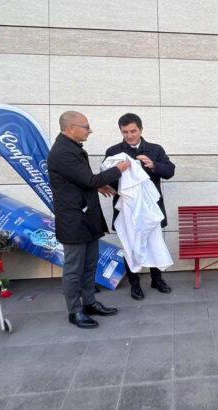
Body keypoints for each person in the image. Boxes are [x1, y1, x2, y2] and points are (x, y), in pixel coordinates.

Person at [48, 110, 128, 329]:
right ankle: (75, 311)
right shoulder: (63, 152)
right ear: (71, 128)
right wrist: (118, 169)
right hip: (74, 220)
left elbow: (81, 180)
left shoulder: (72, 148)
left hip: (86, 218)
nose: (90, 131)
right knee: (74, 269)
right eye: (86, 127)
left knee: (90, 264)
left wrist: (96, 185)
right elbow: (89, 179)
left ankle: (90, 303)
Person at [105, 113, 175, 300]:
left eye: (133, 131)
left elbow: (170, 171)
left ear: (141, 129)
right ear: (120, 131)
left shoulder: (155, 149)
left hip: (151, 209)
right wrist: (118, 172)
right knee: (130, 246)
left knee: (154, 242)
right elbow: (107, 178)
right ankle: (134, 284)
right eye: (125, 132)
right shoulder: (113, 151)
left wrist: (153, 165)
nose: (129, 135)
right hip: (127, 208)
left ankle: (157, 280)